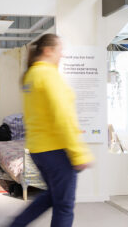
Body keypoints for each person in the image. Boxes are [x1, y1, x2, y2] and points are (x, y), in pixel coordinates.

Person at [9, 34, 93, 227]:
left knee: (52, 197)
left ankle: (15, 224)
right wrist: (79, 153)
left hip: (39, 150)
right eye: (59, 50)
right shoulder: (48, 74)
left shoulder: (31, 76)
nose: (62, 54)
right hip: (57, 150)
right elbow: (62, 116)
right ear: (48, 50)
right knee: (64, 205)